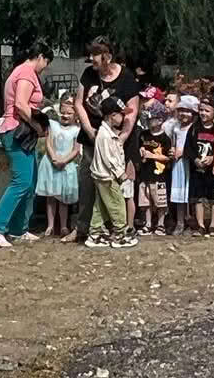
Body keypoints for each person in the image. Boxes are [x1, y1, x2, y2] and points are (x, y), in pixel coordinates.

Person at [0, 43, 54, 249]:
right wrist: (37, 126)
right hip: (17, 131)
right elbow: (21, 105)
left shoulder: (21, 72)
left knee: (30, 182)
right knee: (21, 181)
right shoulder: (25, 73)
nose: (45, 67)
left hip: (23, 133)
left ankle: (18, 229)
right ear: (40, 57)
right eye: (46, 62)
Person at [74, 39, 142, 245]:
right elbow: (79, 103)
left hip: (118, 140)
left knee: (116, 189)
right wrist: (89, 130)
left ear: (108, 57)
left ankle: (119, 228)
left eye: (95, 54)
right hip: (93, 137)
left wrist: (121, 138)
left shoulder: (127, 78)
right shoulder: (88, 74)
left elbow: (132, 112)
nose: (91, 58)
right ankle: (85, 229)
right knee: (88, 185)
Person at [86, 96, 132, 249]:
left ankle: (95, 234)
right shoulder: (104, 135)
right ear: (112, 115)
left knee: (101, 207)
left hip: (103, 177)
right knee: (117, 205)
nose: (123, 117)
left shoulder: (108, 133)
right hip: (107, 177)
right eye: (121, 114)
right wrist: (120, 173)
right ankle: (120, 235)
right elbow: (109, 158)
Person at [37, 95, 81, 240]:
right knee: (51, 196)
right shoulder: (52, 125)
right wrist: (54, 158)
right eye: (63, 112)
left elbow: (75, 150)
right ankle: (50, 225)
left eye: (69, 113)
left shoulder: (76, 130)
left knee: (63, 198)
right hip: (51, 163)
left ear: (75, 114)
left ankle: (63, 225)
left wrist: (64, 161)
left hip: (66, 165)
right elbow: (49, 143)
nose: (65, 115)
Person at [135, 101, 174, 235]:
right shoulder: (143, 135)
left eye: (151, 118)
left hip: (159, 175)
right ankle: (148, 223)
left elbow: (167, 157)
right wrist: (141, 151)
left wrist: (152, 156)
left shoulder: (165, 138)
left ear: (160, 120)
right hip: (145, 173)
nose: (148, 120)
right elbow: (140, 148)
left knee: (160, 201)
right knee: (145, 200)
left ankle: (161, 224)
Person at [168, 94, 198, 234]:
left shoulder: (194, 128)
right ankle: (180, 222)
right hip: (178, 164)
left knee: (191, 193)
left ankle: (192, 221)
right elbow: (174, 143)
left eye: (187, 111)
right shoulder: (176, 127)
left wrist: (184, 151)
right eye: (180, 110)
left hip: (190, 163)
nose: (183, 114)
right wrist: (172, 150)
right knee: (179, 193)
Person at [191, 102, 214, 235]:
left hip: (212, 170)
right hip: (197, 169)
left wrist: (213, 158)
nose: (203, 113)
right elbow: (189, 148)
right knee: (198, 198)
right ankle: (200, 225)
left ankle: (213, 225)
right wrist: (195, 160)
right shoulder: (194, 128)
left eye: (207, 111)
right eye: (201, 110)